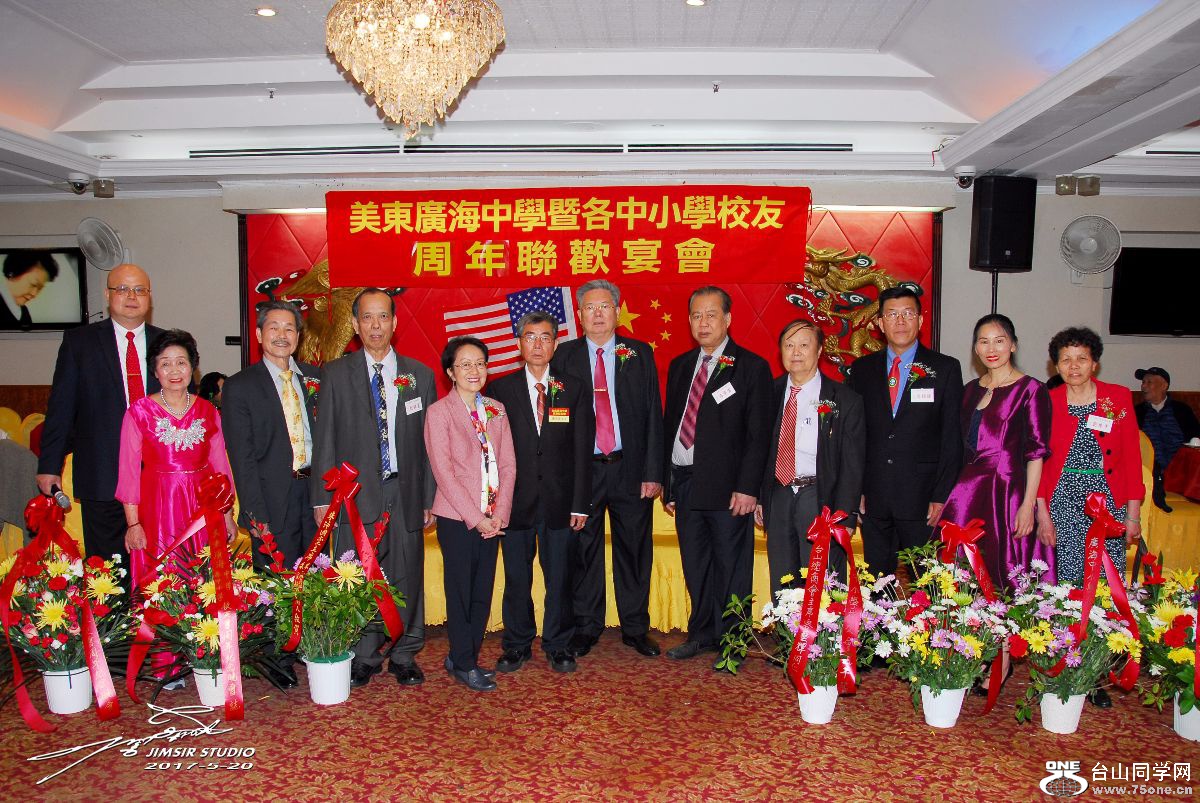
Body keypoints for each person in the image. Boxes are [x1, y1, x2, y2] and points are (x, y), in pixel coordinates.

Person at [310, 288, 436, 689]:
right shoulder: (335, 373)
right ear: (354, 324)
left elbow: (429, 445)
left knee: (407, 573)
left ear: (395, 323)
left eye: (383, 317)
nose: (375, 325)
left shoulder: (420, 375)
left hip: (406, 492)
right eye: (367, 317)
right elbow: (324, 439)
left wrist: (429, 497)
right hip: (354, 495)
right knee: (360, 575)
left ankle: (404, 653)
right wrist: (321, 498)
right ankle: (364, 655)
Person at [550, 279, 664, 660]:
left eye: (604, 307)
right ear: (579, 315)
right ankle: (586, 626)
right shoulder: (564, 356)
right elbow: (556, 418)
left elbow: (653, 413)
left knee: (634, 548)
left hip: (629, 467)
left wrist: (653, 471)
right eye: (590, 308)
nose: (597, 314)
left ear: (617, 311)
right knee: (584, 549)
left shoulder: (639, 353)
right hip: (583, 471)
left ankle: (635, 627)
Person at [662, 286, 773, 669]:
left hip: (729, 490)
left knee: (731, 565)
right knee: (696, 564)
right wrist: (670, 483)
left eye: (711, 315)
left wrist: (748, 488)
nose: (703, 322)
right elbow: (671, 426)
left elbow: (758, 435)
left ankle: (733, 640)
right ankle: (701, 634)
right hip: (686, 483)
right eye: (696, 315)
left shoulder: (751, 367)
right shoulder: (681, 365)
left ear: (728, 319)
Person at [1036, 326, 1143, 708]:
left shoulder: (1117, 398)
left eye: (1081, 358)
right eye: (1065, 359)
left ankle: (1096, 672)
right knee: (1067, 584)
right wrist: (1043, 513)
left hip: (1107, 502)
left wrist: (1133, 514)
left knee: (1103, 586)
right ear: (1056, 365)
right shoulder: (1048, 401)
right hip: (1063, 500)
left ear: (1094, 362)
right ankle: (1068, 666)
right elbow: (1039, 463)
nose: (1074, 366)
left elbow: (1131, 457)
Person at [38, 263, 165, 567]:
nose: (131, 296)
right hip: (102, 474)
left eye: (140, 290)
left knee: (160, 569)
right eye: (122, 289)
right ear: (107, 295)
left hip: (160, 478)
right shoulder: (80, 343)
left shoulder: (168, 343)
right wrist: (49, 465)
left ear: (149, 297)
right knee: (107, 573)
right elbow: (61, 408)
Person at [489, 312, 593, 675]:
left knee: (560, 579)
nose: (537, 344)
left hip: (561, 503)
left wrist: (581, 503)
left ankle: (559, 644)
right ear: (519, 343)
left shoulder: (573, 388)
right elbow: (492, 451)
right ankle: (517, 644)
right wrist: (494, 502)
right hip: (514, 503)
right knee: (517, 578)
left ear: (555, 344)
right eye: (530, 337)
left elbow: (583, 450)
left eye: (545, 337)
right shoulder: (500, 390)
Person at [847, 286, 963, 581]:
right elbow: (853, 438)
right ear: (880, 323)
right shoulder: (861, 370)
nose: (900, 321)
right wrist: (855, 489)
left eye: (908, 314)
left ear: (920, 321)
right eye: (892, 315)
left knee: (928, 581)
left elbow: (952, 438)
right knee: (877, 582)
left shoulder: (945, 368)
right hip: (874, 496)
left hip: (922, 497)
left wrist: (942, 495)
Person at [425, 337, 516, 692]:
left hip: (492, 518)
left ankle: (465, 656)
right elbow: (444, 473)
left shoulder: (496, 409)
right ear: (450, 372)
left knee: (482, 590)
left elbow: (508, 465)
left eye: (480, 363)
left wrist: (500, 514)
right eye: (465, 364)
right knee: (461, 590)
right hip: (457, 518)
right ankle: (464, 663)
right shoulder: (439, 412)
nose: (474, 370)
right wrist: (476, 518)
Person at [940, 314, 1053, 591]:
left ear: (1013, 345)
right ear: (975, 348)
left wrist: (1028, 505)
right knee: (957, 573)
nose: (991, 349)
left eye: (999, 341)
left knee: (1005, 570)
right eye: (984, 342)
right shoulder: (969, 390)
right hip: (967, 492)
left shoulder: (1031, 390)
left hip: (1006, 492)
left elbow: (1036, 454)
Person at [116, 330, 236, 588]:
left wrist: (227, 515)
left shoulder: (208, 411)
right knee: (162, 579)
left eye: (181, 362)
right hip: (158, 506)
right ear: (155, 371)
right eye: (165, 364)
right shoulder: (139, 412)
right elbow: (129, 474)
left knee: (205, 578)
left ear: (192, 367)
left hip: (204, 506)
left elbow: (221, 468)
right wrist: (133, 524)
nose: (174, 370)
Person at [759, 319, 864, 592]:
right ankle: (784, 622)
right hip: (779, 495)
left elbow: (852, 463)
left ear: (818, 351)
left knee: (822, 582)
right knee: (782, 581)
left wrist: (846, 515)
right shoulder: (767, 393)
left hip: (819, 497)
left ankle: (822, 623)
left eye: (804, 345)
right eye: (789, 345)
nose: (796, 352)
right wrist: (760, 497)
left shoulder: (844, 399)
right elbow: (758, 450)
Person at [221, 302, 319, 570]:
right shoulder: (240, 386)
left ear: (298, 337)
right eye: (274, 328)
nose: (282, 335)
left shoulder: (316, 378)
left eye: (289, 329)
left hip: (315, 498)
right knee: (277, 585)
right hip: (271, 501)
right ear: (258, 334)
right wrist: (255, 514)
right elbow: (242, 458)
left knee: (318, 578)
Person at [1134, 366, 1200, 512]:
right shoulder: (1137, 411)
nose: (1143, 386)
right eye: (1143, 382)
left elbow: (1195, 438)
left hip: (1180, 472)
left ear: (1164, 386)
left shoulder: (1181, 410)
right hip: (1151, 472)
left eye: (1149, 382)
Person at [0, 250, 57, 329]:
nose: (34, 294)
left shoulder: (24, 313)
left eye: (39, 289)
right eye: (33, 284)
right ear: (12, 273)